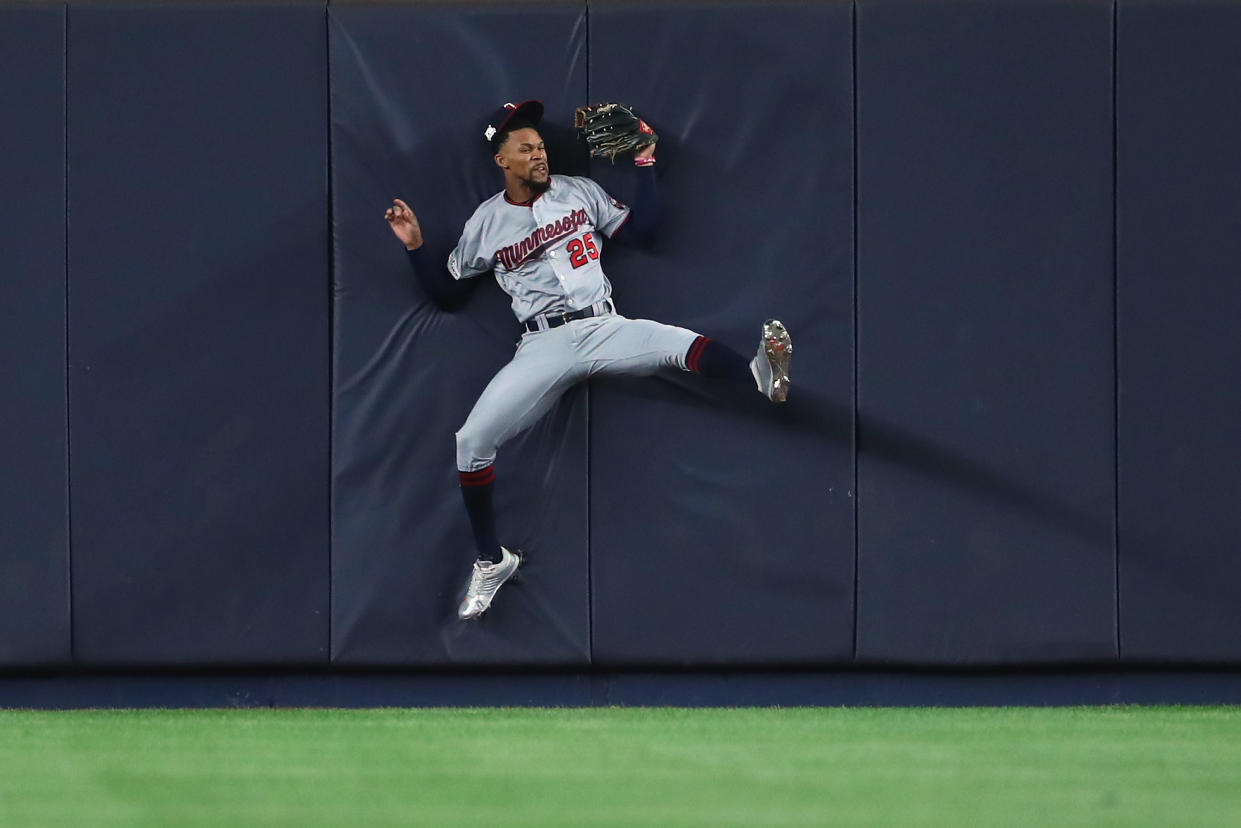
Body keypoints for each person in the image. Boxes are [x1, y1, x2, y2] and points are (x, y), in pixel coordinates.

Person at [384, 100, 792, 621]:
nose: (539, 153)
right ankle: (491, 560)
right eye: (525, 148)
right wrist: (416, 247)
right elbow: (447, 294)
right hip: (542, 345)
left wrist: (645, 160)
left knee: (676, 341)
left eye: (540, 145)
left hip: (604, 325)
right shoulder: (485, 223)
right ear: (502, 160)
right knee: (471, 441)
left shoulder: (579, 191)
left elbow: (643, 233)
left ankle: (757, 373)